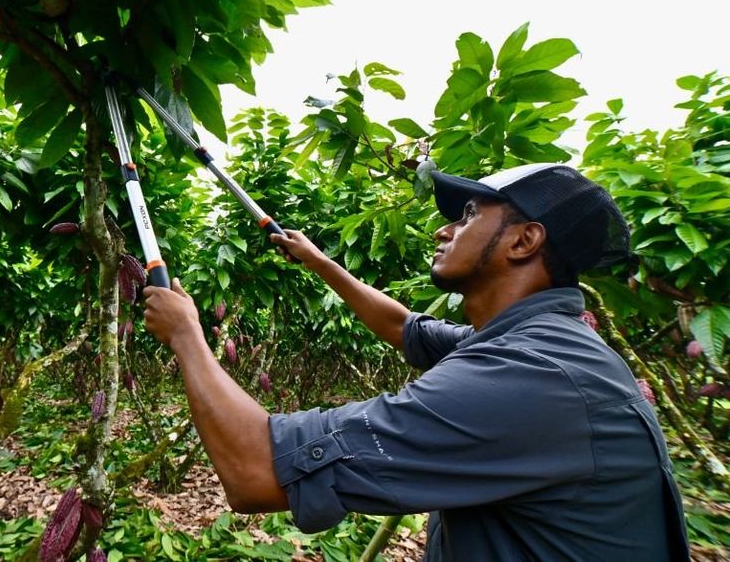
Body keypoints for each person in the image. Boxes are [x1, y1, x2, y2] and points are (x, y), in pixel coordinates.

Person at [143, 162, 690, 561]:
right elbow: (403, 327)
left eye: (469, 214)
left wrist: (187, 334)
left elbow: (257, 473)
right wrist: (320, 262)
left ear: (524, 241)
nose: (443, 230)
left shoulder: (531, 375)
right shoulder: (538, 344)